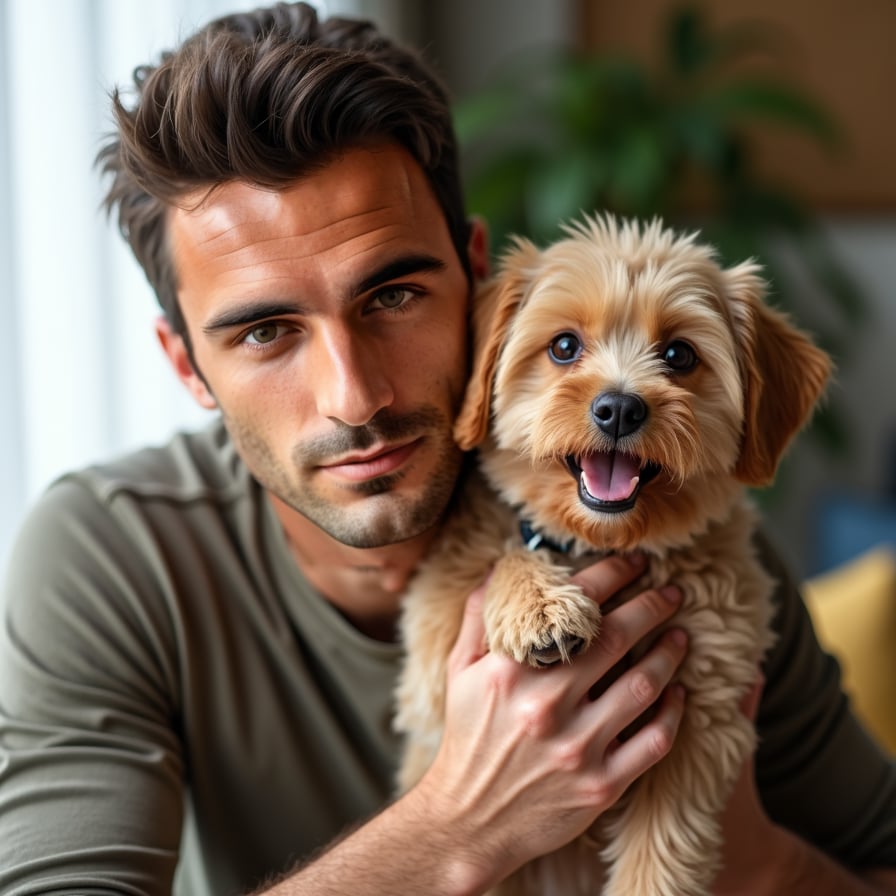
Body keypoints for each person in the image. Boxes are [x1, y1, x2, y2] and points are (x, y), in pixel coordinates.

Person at [0, 3, 894, 895]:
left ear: (475, 275)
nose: (354, 395)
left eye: (391, 297)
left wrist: (762, 862)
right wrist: (459, 827)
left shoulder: (665, 517)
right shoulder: (111, 559)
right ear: (187, 364)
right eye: (266, 332)